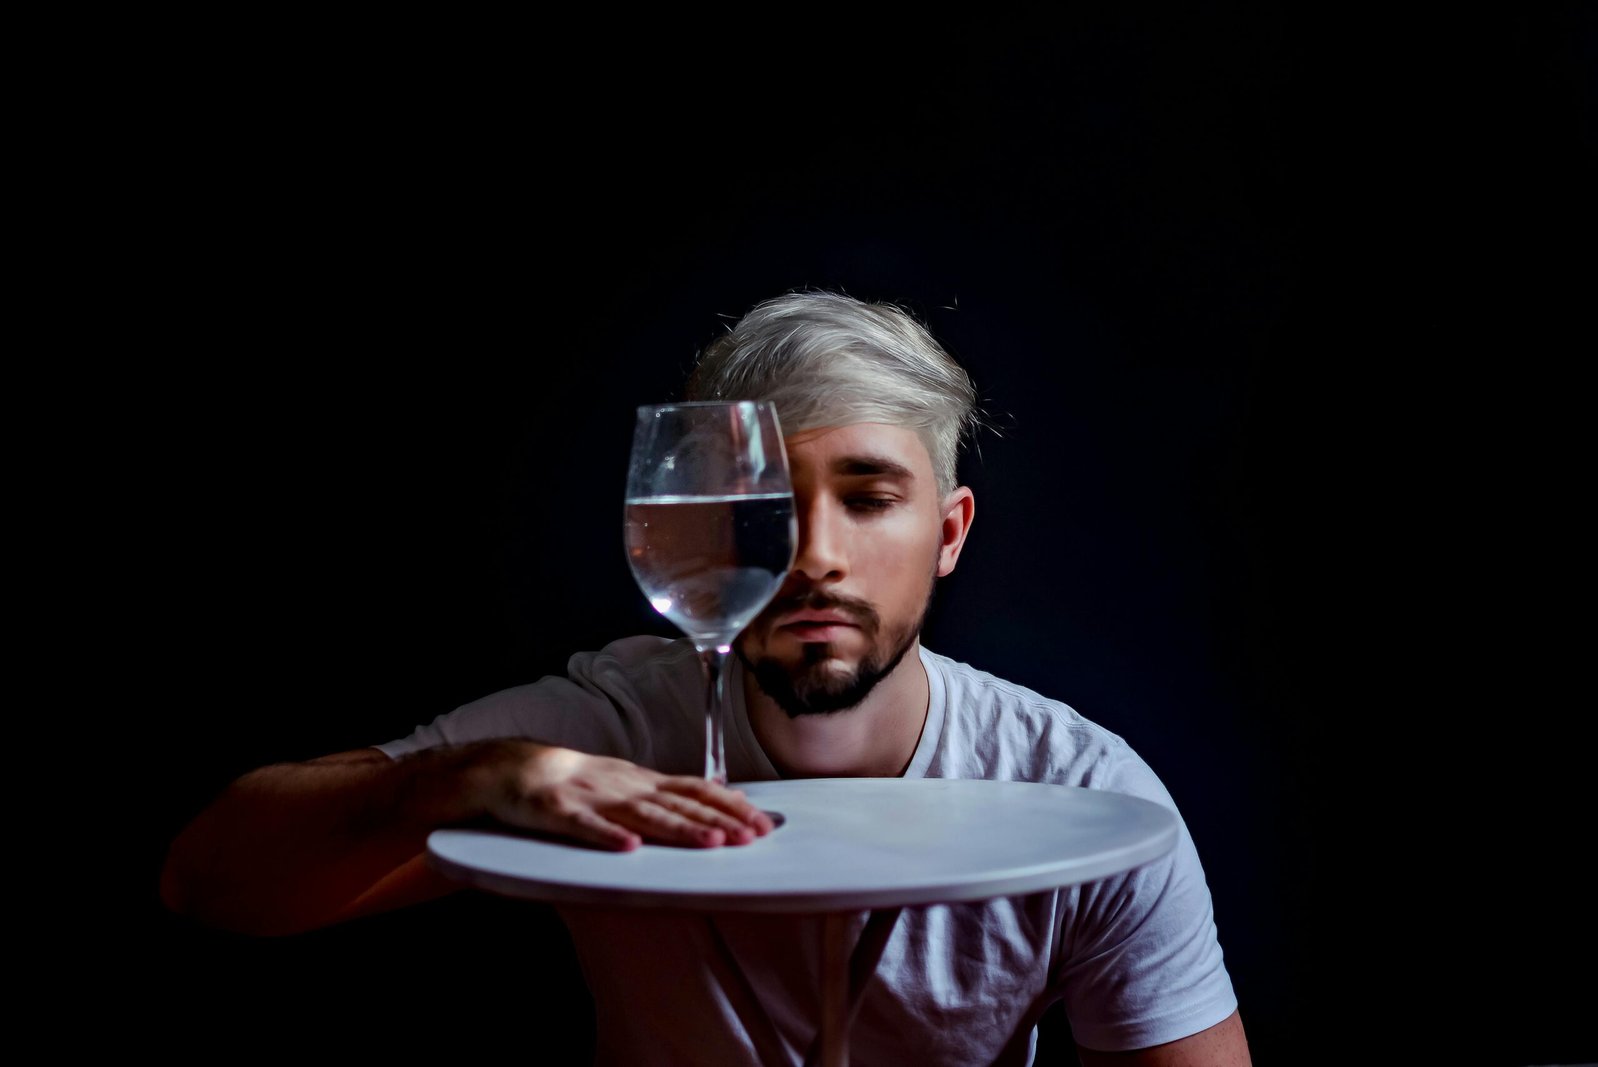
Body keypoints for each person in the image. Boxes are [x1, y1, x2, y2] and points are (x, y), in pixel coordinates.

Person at [161, 291, 1251, 1066]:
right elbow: (213, 881)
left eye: (869, 496)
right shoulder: (610, 729)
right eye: (764, 500)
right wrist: (455, 778)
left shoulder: (1079, 790)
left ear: (949, 531)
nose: (812, 552)